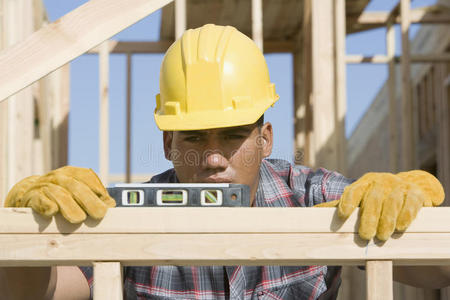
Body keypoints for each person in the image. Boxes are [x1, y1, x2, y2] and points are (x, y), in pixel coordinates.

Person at [1, 24, 450, 300]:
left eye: (234, 135)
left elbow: (437, 274)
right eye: (194, 137)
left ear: (265, 138)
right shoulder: (129, 218)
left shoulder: (313, 197)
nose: (213, 158)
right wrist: (28, 238)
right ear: (167, 144)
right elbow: (36, 293)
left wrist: (418, 227)